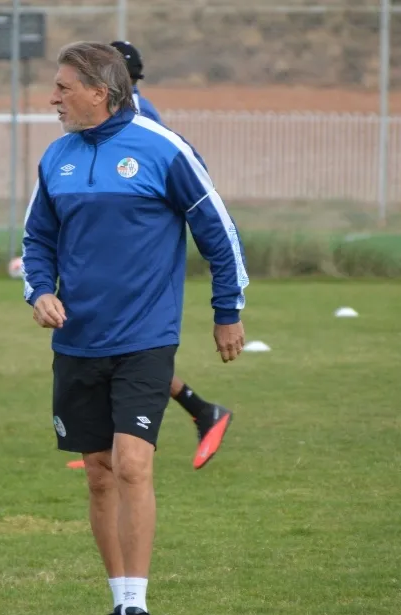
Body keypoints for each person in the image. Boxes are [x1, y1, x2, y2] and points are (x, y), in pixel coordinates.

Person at [22, 42, 248, 615]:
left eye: (63, 87)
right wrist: (39, 291)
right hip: (77, 340)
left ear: (100, 92)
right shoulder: (56, 158)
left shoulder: (163, 148)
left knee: (131, 465)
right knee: (99, 472)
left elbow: (218, 230)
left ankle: (137, 609)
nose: (53, 98)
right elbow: (37, 238)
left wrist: (227, 308)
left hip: (146, 337)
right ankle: (119, 600)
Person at [110, 39, 233, 470]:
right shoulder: (125, 112)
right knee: (117, 353)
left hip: (139, 265)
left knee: (128, 354)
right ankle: (200, 411)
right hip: (120, 263)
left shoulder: (138, 115)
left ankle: (137, 439)